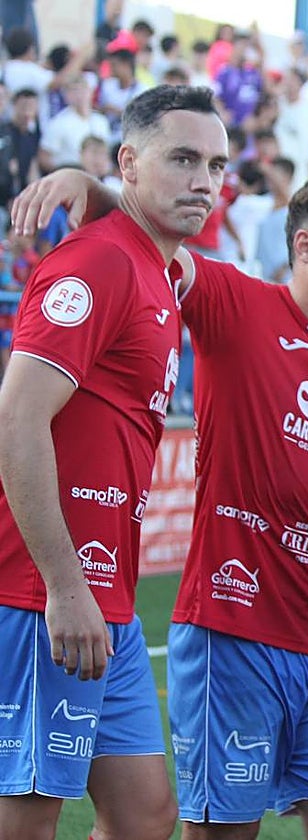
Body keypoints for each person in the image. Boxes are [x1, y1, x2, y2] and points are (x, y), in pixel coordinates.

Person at [14, 161, 308, 839]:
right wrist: (89, 189)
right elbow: (153, 242)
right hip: (231, 633)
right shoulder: (237, 303)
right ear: (304, 245)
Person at [0, 84, 228, 840]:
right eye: (184, 159)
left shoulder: (160, 268)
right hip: (42, 590)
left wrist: (92, 189)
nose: (204, 180)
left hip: (109, 599)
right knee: (26, 817)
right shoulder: (98, 263)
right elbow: (18, 413)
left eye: (218, 165)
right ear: (130, 163)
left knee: (143, 816)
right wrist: (63, 588)